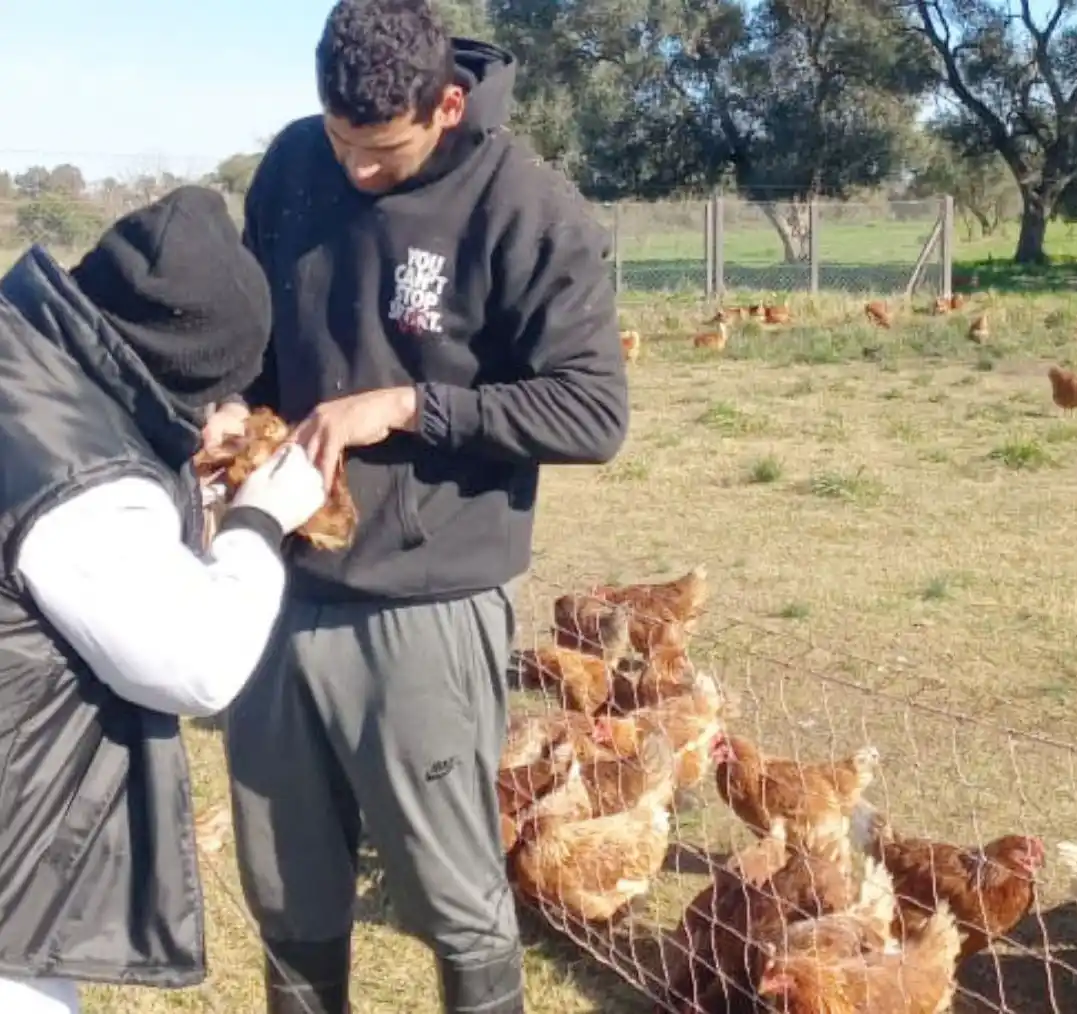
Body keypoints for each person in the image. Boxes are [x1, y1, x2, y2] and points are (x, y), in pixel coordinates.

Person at [210, 1, 629, 1011]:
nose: (353, 171)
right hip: (269, 588)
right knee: (288, 892)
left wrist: (405, 405)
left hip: (423, 604)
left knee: (455, 898)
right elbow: (255, 336)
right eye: (340, 142)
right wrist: (228, 401)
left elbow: (591, 411)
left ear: (447, 104)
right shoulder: (295, 163)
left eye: (379, 152)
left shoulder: (528, 206)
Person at [0, 186, 329, 1014]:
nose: (226, 414)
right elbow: (197, 663)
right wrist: (257, 519)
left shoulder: (24, 363)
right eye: (219, 390)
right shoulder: (84, 480)